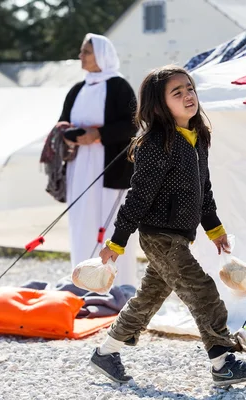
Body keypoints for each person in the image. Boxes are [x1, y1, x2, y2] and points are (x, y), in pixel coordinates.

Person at [89, 65, 246, 387]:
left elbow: (204, 189)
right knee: (202, 291)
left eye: (189, 88)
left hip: (179, 236)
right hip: (159, 236)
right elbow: (138, 198)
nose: (188, 96)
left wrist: (215, 229)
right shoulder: (157, 143)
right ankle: (223, 362)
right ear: (159, 104)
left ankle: (106, 352)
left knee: (148, 299)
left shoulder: (197, 137)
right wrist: (116, 243)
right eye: (177, 92)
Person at [56, 33, 139, 287]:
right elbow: (62, 123)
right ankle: (83, 281)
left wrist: (98, 134)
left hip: (111, 167)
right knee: (82, 222)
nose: (81, 56)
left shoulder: (118, 86)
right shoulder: (77, 89)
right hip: (80, 166)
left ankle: (117, 283)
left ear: (102, 55)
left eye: (86, 51)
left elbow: (132, 124)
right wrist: (72, 136)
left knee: (111, 224)